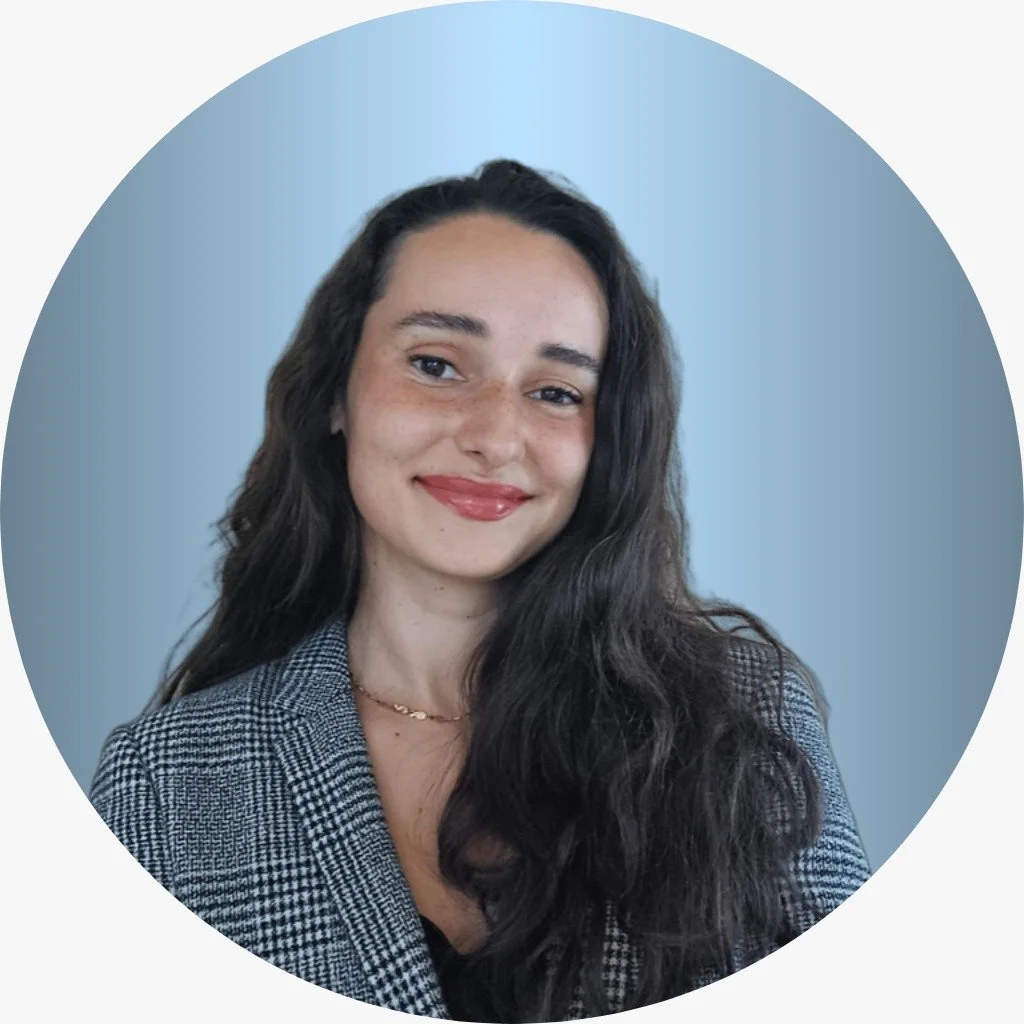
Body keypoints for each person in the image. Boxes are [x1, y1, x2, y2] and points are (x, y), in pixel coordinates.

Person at [90, 159, 871, 1022]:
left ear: (608, 441)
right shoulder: (166, 782)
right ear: (335, 394)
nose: (496, 436)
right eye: (435, 364)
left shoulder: (745, 723)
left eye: (556, 391)